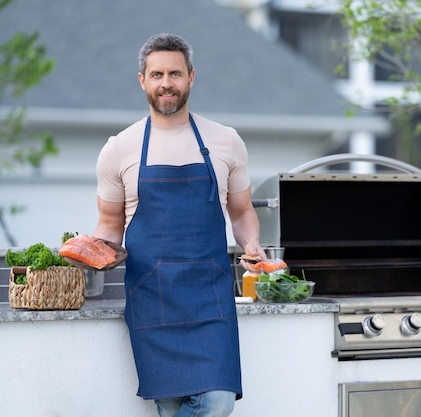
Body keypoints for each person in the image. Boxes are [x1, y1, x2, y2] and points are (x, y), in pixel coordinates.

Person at [93, 33, 265, 417]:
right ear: (142, 80)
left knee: (218, 402)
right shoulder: (119, 148)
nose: (166, 83)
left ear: (191, 77)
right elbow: (109, 226)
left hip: (210, 295)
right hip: (152, 297)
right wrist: (91, 254)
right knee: (170, 409)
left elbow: (241, 211)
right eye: (156, 74)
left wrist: (251, 243)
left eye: (174, 73)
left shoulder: (226, 141)